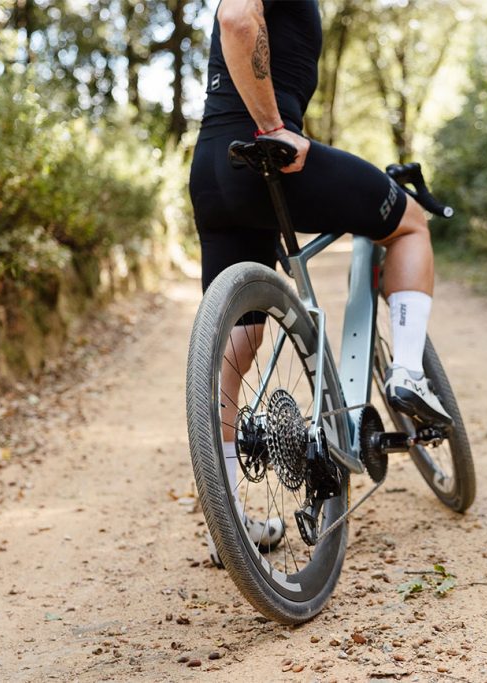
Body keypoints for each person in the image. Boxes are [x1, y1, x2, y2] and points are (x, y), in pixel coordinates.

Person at [188, 0, 451, 564]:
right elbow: (237, 19)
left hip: (212, 169)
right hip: (267, 155)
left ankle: (224, 513)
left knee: (238, 340)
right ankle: (408, 371)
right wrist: (272, 128)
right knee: (409, 224)